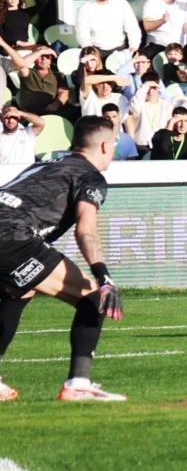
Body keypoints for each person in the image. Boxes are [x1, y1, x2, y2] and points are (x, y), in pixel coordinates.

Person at [0, 118, 127, 403]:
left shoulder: (45, 164)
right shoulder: (90, 176)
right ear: (105, 145)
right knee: (93, 297)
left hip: (7, 231)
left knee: (19, 291)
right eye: (114, 144)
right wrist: (104, 276)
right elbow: (86, 230)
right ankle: (78, 384)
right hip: (12, 236)